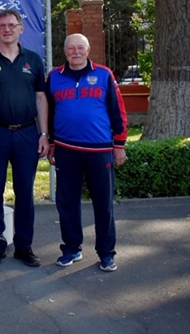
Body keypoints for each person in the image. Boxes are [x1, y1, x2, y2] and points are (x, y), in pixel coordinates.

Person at [0, 9, 49, 267]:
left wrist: (44, 134)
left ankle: (24, 247)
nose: (7, 29)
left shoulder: (33, 60)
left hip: (27, 133)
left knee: (24, 192)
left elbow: (40, 98)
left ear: (21, 29)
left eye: (12, 25)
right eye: (2, 25)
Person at [46, 33, 127, 272]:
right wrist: (51, 143)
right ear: (65, 51)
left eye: (80, 47)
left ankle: (106, 253)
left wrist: (119, 144)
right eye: (71, 48)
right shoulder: (54, 76)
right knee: (67, 203)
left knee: (103, 204)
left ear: (88, 49)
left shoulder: (104, 74)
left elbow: (118, 110)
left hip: (99, 150)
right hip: (66, 149)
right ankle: (71, 249)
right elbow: (48, 113)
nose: (76, 52)